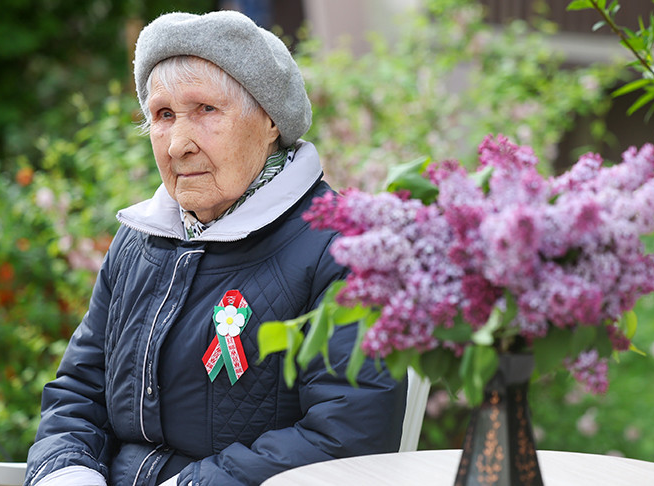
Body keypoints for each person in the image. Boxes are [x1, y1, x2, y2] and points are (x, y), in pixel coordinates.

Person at [24, 10, 407, 486]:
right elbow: (79, 393)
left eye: (205, 110)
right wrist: (67, 473)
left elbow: (349, 435)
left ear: (270, 120)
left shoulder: (343, 248)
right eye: (163, 115)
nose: (178, 144)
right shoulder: (140, 239)